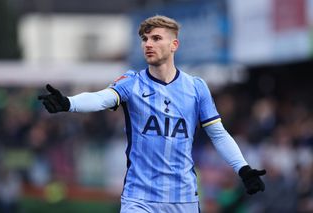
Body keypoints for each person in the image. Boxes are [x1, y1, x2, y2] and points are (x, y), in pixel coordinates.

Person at [38, 15, 266, 213]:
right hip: (139, 198)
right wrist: (69, 103)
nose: (148, 44)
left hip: (183, 198)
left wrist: (243, 169)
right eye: (145, 39)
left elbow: (218, 134)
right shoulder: (131, 82)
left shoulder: (196, 88)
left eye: (156, 38)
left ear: (174, 44)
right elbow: (101, 98)